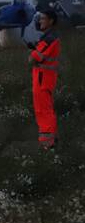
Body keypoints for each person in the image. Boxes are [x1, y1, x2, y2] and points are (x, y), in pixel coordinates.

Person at [29, 8, 61, 149]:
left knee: (44, 110)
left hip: (43, 80)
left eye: (43, 18)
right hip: (42, 79)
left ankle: (48, 144)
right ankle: (50, 141)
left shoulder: (49, 38)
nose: (40, 21)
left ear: (50, 21)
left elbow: (33, 58)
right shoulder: (48, 38)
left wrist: (33, 54)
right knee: (43, 109)